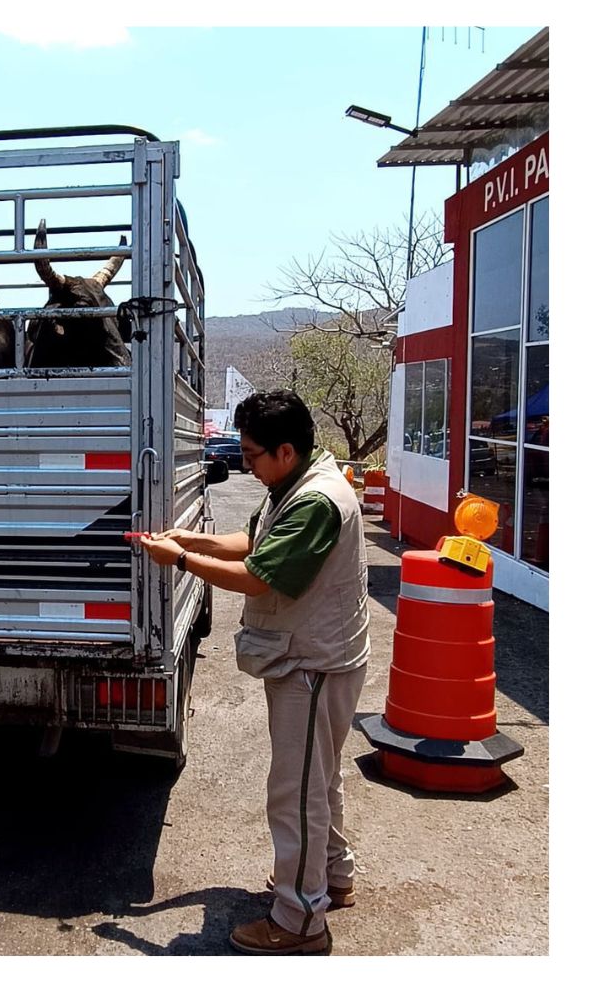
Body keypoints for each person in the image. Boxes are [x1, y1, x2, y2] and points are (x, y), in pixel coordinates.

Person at [140, 390, 370, 956]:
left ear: (284, 451)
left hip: (312, 663)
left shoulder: (317, 500)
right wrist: (188, 538)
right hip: (315, 656)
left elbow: (258, 578)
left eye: (251, 453)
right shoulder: (292, 485)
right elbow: (256, 546)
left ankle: (299, 920)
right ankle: (332, 877)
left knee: (295, 792)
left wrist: (182, 562)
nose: (244, 463)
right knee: (320, 779)